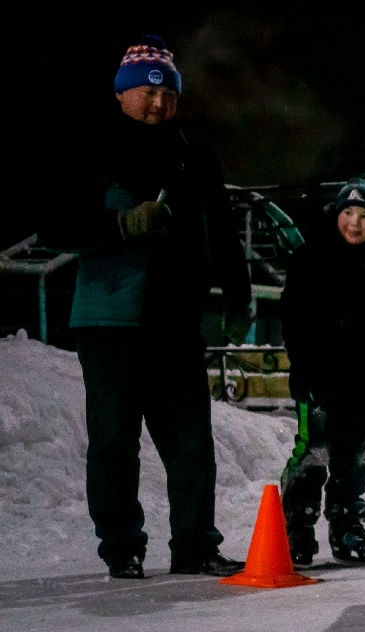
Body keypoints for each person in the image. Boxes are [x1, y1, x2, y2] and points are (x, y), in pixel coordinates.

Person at [38, 35, 251, 579]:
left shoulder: (194, 155)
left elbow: (222, 232)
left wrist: (239, 293)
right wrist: (123, 224)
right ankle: (122, 547)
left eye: (167, 94)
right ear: (121, 94)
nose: (157, 103)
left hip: (175, 323)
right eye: (146, 93)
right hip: (109, 321)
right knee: (114, 442)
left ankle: (195, 545)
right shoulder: (92, 148)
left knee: (192, 445)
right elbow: (56, 227)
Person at [280, 179, 365, 567]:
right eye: (348, 213)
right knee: (312, 451)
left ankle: (346, 521)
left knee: (353, 453)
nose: (354, 223)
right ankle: (297, 525)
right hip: (316, 380)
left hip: (358, 382)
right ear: (336, 215)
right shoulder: (308, 259)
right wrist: (300, 367)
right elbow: (293, 318)